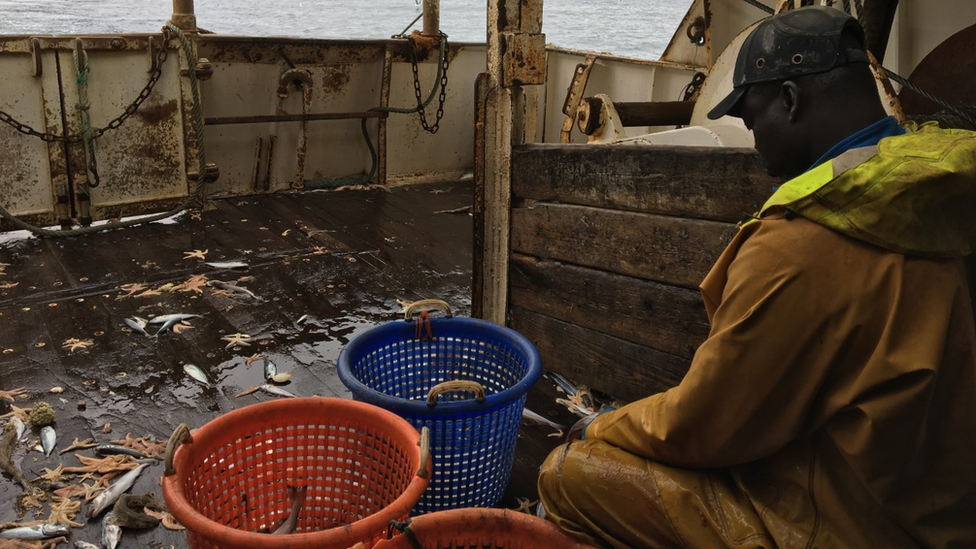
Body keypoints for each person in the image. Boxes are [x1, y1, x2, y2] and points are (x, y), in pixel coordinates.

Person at [537, 6, 976, 549]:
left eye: (752, 119)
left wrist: (600, 424)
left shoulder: (799, 244)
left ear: (790, 100)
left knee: (568, 474)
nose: (753, 139)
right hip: (936, 512)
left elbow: (704, 426)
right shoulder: (939, 188)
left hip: (851, 524)